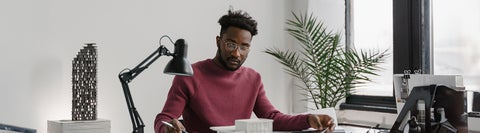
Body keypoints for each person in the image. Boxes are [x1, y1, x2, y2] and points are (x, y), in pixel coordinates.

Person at [154, 9, 335, 133]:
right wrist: (168, 127)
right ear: (219, 41)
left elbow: (273, 118)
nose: (236, 53)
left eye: (244, 47)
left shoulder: (253, 79)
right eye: (231, 44)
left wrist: (308, 119)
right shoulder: (190, 76)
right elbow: (164, 118)